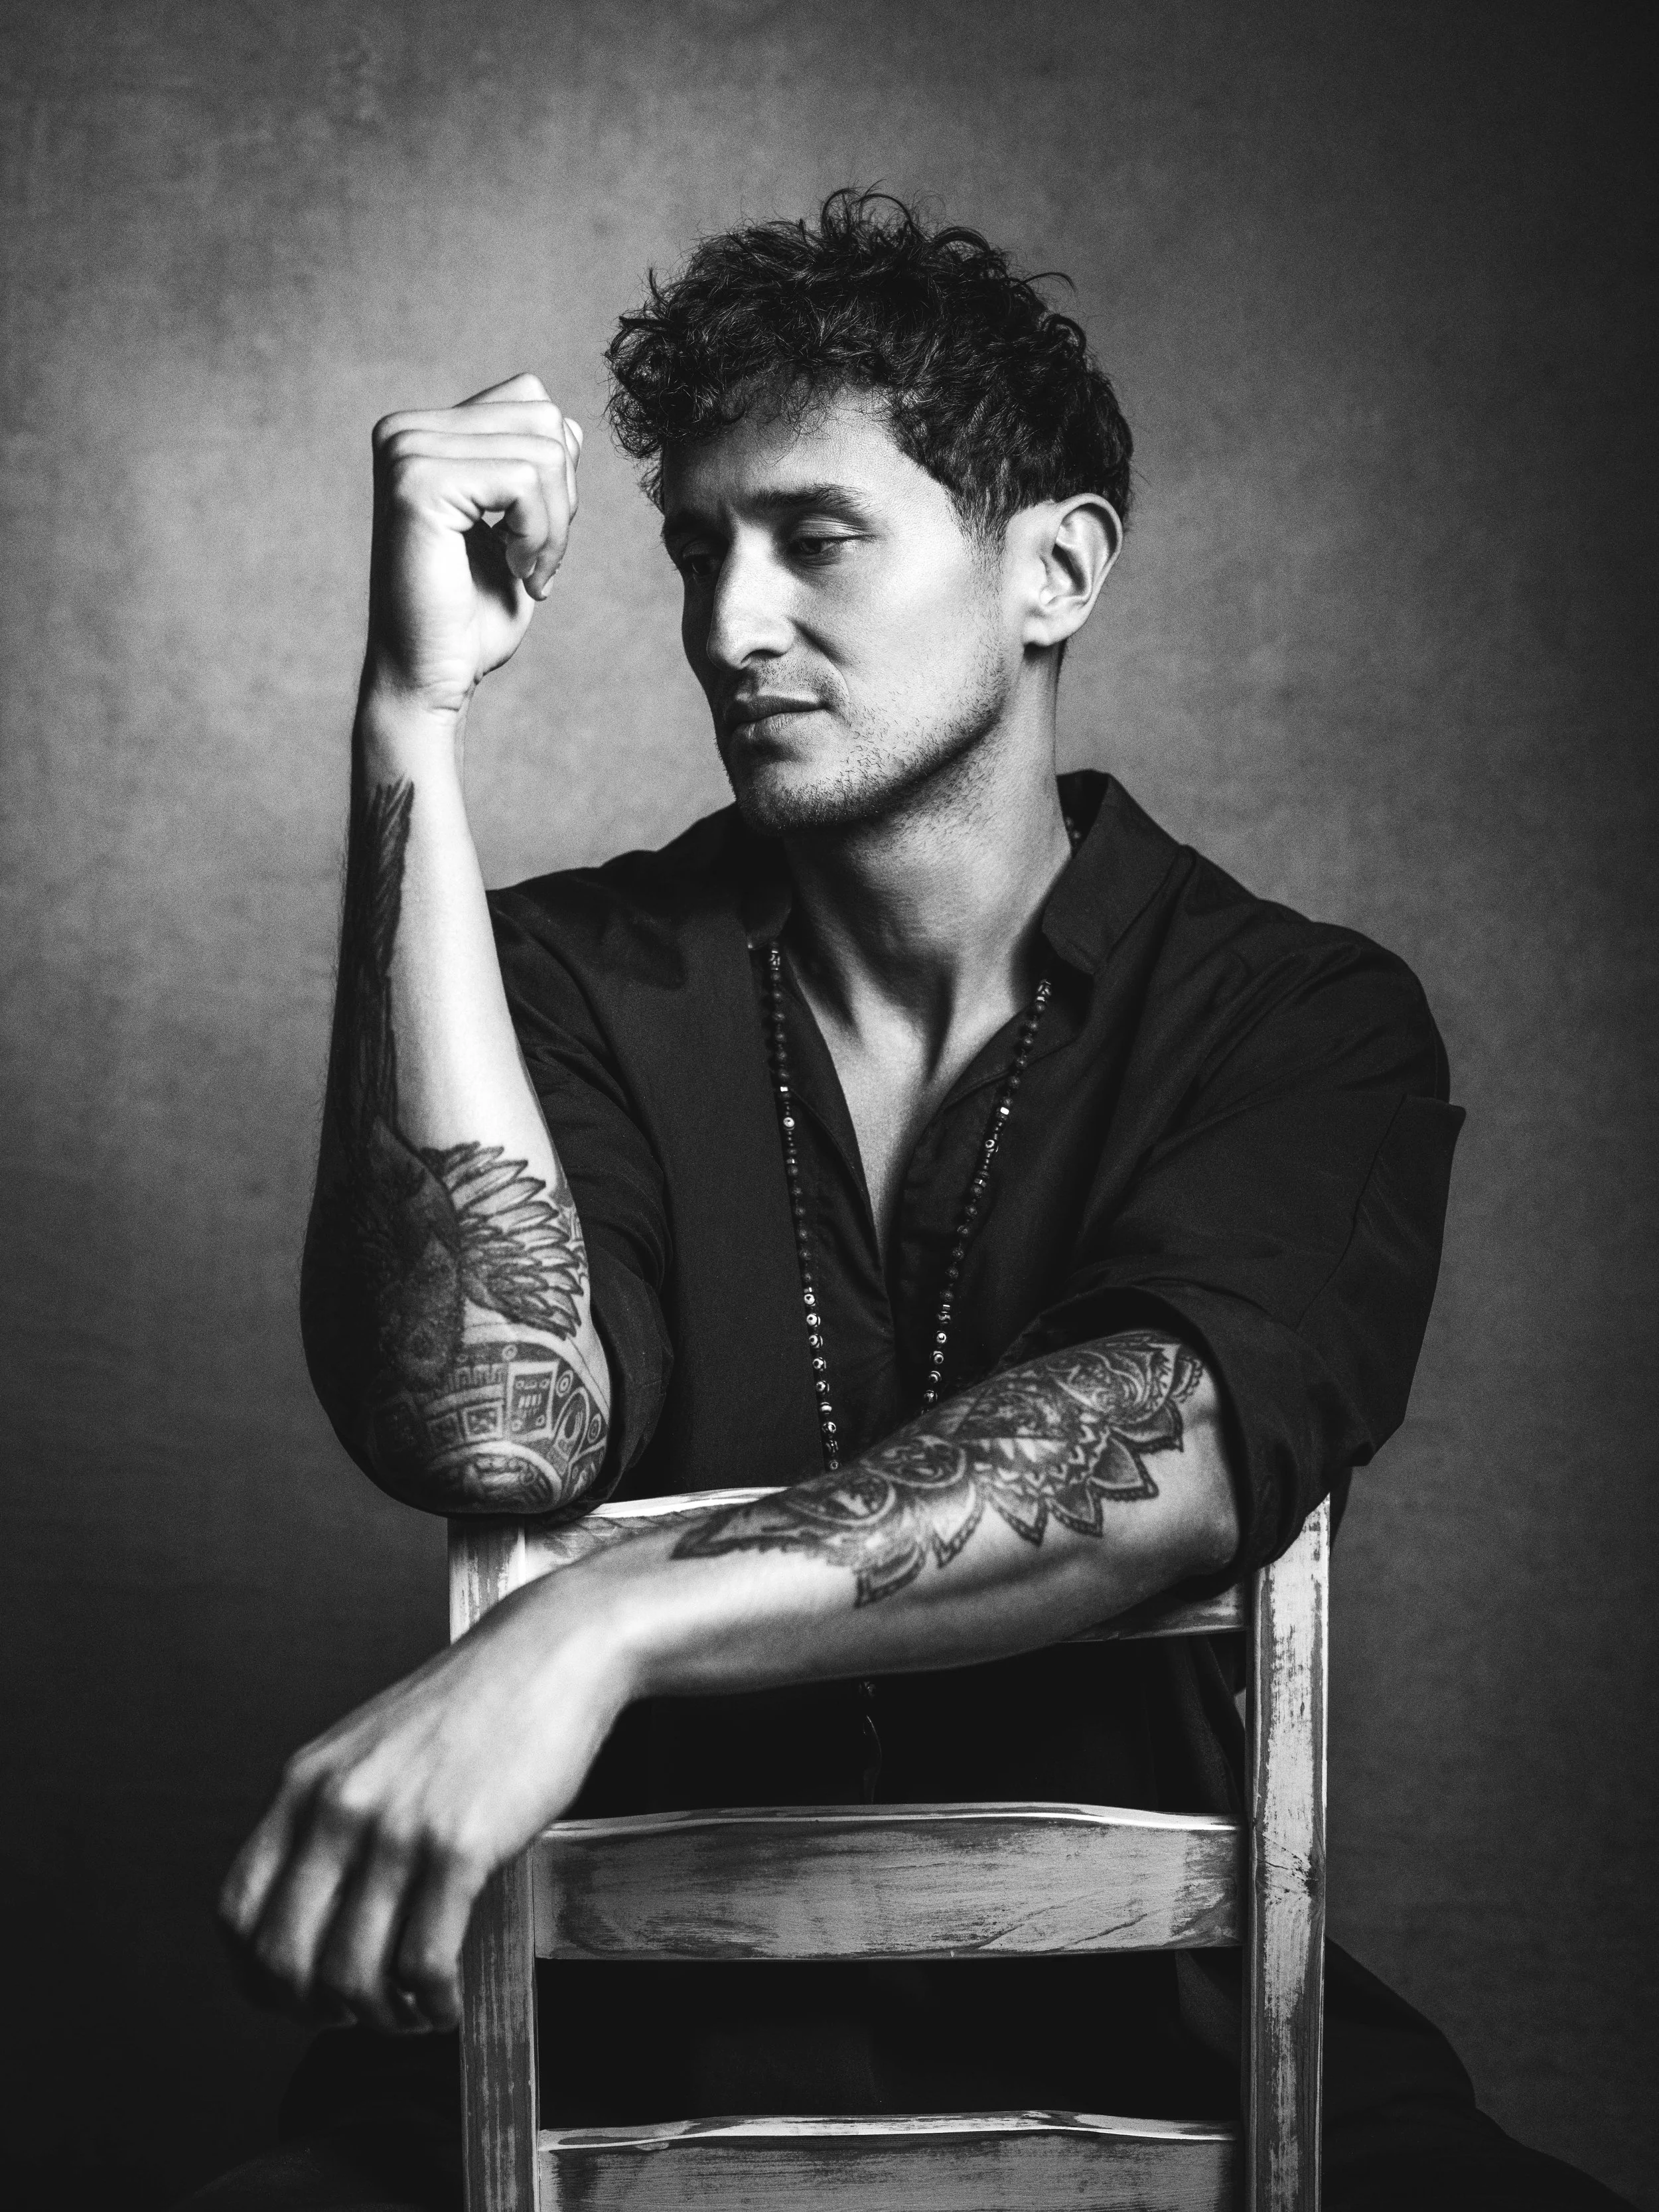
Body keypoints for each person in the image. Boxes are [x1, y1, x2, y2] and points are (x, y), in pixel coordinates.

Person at [197, 193, 1630, 2209]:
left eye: (812, 533)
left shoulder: (1299, 1021)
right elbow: (482, 1420)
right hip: (606, 2035)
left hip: (1167, 2028)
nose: (722, 623)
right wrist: (409, 721)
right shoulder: (562, 984)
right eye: (696, 547)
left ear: (1053, 568)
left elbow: (1174, 1451)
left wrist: (597, 1627)